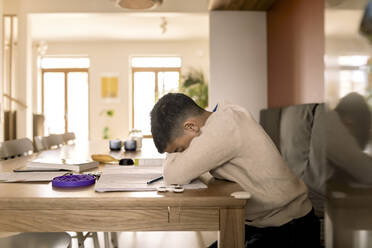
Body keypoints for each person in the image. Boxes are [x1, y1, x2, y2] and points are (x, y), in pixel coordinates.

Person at [150, 93, 319, 248]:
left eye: (179, 149)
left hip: (290, 228)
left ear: (191, 126)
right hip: (260, 223)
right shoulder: (223, 114)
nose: (182, 153)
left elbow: (173, 175)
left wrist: (173, 157)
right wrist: (177, 151)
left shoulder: (224, 127)